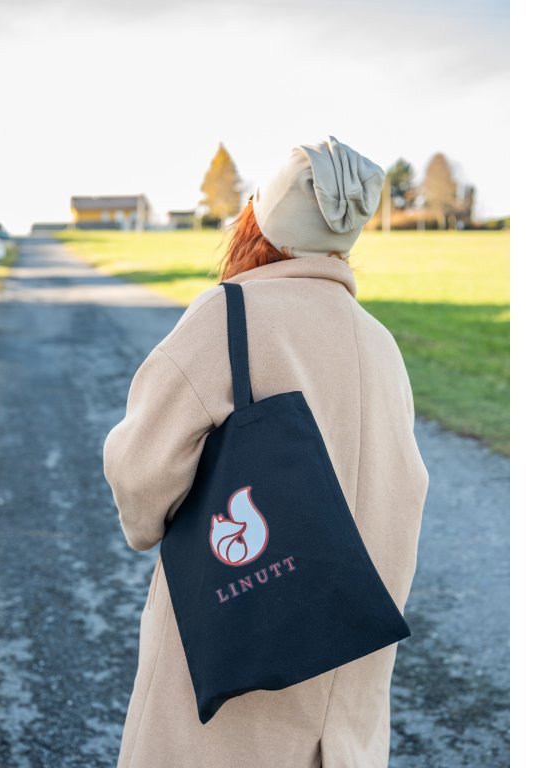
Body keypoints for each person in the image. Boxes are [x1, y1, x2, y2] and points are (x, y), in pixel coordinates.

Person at [103, 136, 429, 768]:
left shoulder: (227, 316)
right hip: (350, 692)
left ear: (259, 219)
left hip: (236, 678)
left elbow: (141, 480)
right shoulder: (381, 344)